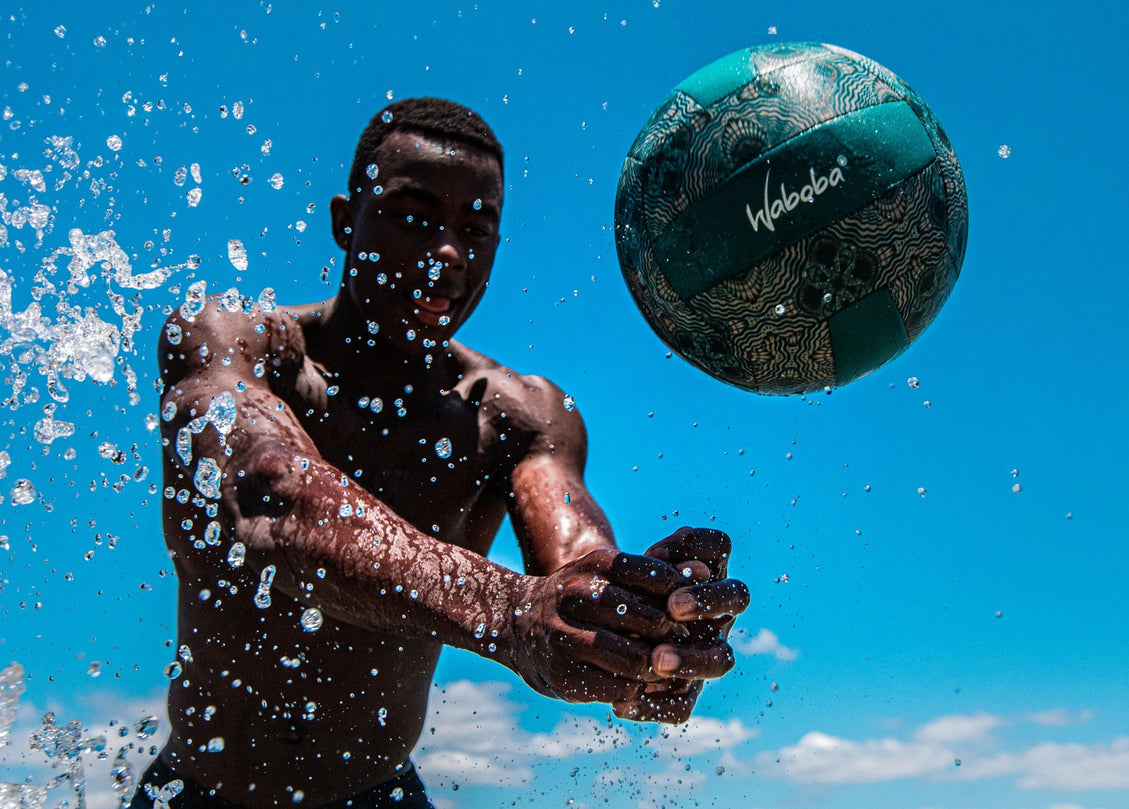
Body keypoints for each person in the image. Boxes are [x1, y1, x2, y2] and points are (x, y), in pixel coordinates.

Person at [136, 97, 750, 809]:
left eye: (476, 229)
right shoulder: (231, 344)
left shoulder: (518, 416)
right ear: (346, 221)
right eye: (412, 216)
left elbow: (574, 561)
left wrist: (641, 621)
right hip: (196, 793)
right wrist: (510, 611)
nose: (449, 253)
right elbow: (273, 497)